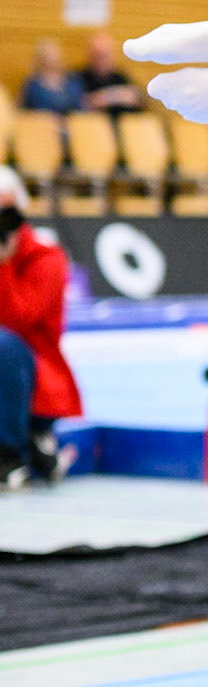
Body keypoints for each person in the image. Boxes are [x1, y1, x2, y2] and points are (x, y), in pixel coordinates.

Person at [0, 168, 81, 488]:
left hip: (37, 379)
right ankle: (36, 448)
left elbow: (17, 319)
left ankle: (10, 454)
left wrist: (3, 265)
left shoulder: (47, 259)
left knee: (2, 344)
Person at [78, 31, 141, 112]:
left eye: (105, 56)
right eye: (98, 55)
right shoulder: (79, 77)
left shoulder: (120, 77)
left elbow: (135, 97)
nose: (101, 60)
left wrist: (106, 97)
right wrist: (119, 95)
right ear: (90, 55)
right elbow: (82, 102)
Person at [19, 39, 81, 116]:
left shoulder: (72, 79)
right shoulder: (32, 84)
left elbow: (80, 104)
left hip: (73, 122)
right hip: (42, 124)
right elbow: (24, 111)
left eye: (55, 54)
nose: (53, 59)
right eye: (48, 56)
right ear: (40, 59)